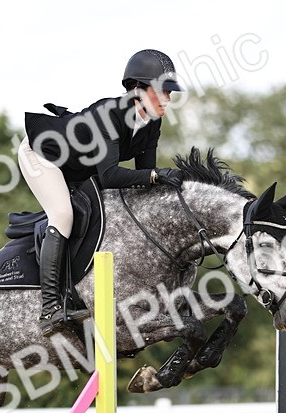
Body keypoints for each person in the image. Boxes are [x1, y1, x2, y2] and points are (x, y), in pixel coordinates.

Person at [18, 49, 186, 336]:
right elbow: (110, 176)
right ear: (138, 90)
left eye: (170, 93)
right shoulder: (111, 114)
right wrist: (157, 176)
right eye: (162, 92)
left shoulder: (152, 123)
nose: (168, 99)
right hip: (41, 155)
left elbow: (144, 177)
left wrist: (162, 183)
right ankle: (49, 308)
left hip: (77, 168)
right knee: (63, 214)